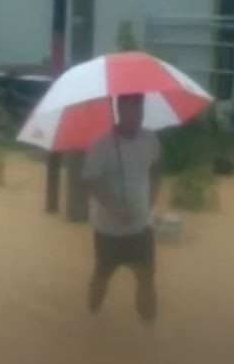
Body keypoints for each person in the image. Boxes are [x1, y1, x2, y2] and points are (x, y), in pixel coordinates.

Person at [83, 94, 162, 323]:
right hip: (108, 229)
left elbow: (156, 170)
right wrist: (115, 206)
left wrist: (152, 200)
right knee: (101, 276)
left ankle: (149, 329)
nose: (137, 114)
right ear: (119, 110)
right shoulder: (102, 144)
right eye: (131, 109)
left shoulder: (151, 139)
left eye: (140, 108)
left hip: (141, 226)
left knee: (146, 277)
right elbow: (90, 180)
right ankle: (91, 318)